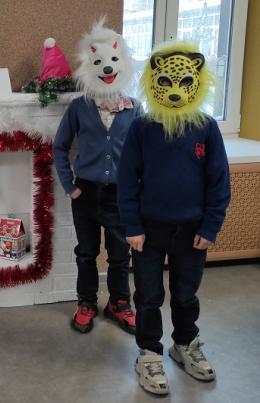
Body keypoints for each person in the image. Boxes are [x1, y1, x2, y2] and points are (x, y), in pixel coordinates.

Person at [117, 41, 231, 395]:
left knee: (185, 294)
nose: (176, 91)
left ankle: (185, 344)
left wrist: (211, 227)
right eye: (166, 82)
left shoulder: (206, 128)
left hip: (193, 231)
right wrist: (132, 227)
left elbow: (219, 182)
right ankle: (149, 353)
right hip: (149, 231)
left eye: (184, 83)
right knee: (148, 295)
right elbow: (127, 180)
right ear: (154, 82)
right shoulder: (142, 127)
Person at [53, 18, 140, 334]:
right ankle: (87, 302)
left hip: (121, 195)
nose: (107, 68)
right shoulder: (79, 108)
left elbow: (144, 153)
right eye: (99, 63)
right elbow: (60, 147)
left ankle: (119, 303)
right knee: (86, 253)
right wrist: (70, 186)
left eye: (113, 60)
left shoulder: (134, 108)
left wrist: (139, 189)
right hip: (86, 192)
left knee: (119, 255)